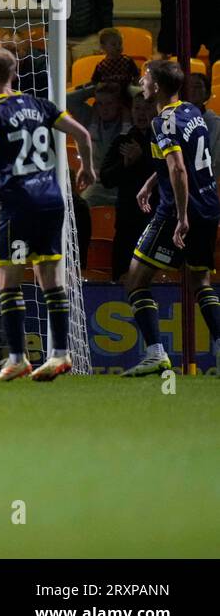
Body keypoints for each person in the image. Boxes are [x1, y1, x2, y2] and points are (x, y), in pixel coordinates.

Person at [0, 47, 97, 382]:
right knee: (51, 280)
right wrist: (87, 167)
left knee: (9, 282)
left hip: (18, 204)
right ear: (14, 74)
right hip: (52, 201)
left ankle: (17, 358)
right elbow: (83, 135)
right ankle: (60, 354)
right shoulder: (40, 105)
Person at [119, 59, 220, 377]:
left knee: (135, 279)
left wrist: (180, 216)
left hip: (180, 211)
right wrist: (151, 183)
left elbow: (177, 167)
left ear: (158, 86)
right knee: (199, 281)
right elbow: (184, 159)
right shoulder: (192, 110)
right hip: (209, 205)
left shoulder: (162, 122)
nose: (142, 84)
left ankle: (156, 355)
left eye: (146, 79)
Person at [100, 95, 155, 279]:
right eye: (137, 108)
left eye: (146, 108)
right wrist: (125, 164)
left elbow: (170, 175)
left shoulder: (163, 141)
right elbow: (106, 179)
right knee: (122, 276)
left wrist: (143, 158)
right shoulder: (122, 141)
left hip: (156, 223)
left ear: (156, 110)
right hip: (127, 223)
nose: (141, 113)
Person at [81, 82, 131, 207]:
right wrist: (94, 87)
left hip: (122, 187)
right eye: (100, 103)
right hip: (96, 187)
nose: (104, 108)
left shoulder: (133, 119)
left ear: (119, 104)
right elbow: (68, 99)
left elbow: (145, 96)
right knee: (78, 208)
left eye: (109, 103)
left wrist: (126, 88)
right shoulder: (89, 117)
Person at [71, 28, 139, 104]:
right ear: (103, 47)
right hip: (107, 97)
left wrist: (135, 85)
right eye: (113, 44)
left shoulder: (127, 61)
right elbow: (94, 82)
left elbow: (136, 76)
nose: (118, 47)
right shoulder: (101, 66)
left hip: (126, 94)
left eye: (120, 43)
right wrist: (83, 86)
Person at [183, 72, 220, 167]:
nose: (193, 90)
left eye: (198, 86)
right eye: (189, 86)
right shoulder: (176, 117)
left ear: (207, 93)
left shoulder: (214, 122)